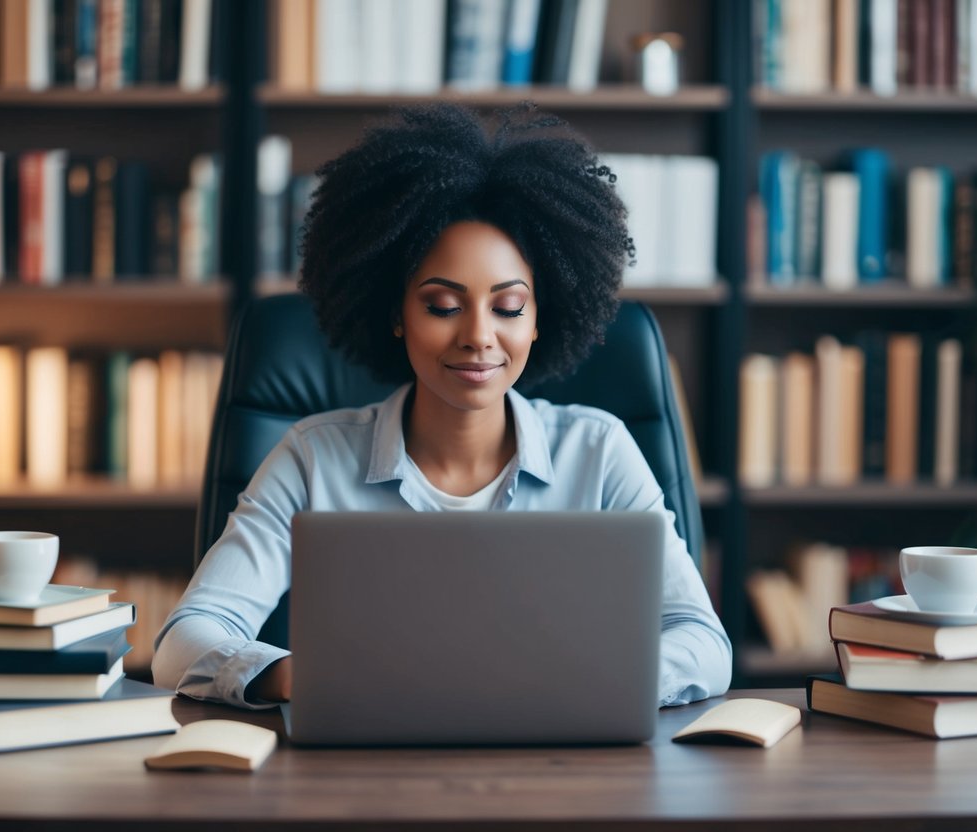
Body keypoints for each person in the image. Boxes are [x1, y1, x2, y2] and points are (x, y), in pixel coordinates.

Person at [152, 102, 732, 708]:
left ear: (540, 319)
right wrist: (303, 677)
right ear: (396, 315)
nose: (479, 335)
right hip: (367, 777)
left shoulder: (600, 450)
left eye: (508, 307)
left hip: (560, 770)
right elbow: (183, 642)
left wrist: (594, 680)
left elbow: (703, 643)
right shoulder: (312, 458)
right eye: (443, 305)